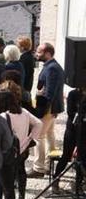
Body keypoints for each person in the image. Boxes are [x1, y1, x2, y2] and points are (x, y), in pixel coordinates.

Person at [0, 89, 41, 199]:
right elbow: (39, 123)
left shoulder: (4, 116)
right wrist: (31, 139)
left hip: (6, 153)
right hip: (21, 151)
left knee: (2, 183)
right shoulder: (24, 112)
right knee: (17, 177)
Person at [29, 42, 65, 178]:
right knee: (49, 134)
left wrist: (40, 106)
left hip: (47, 107)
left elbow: (49, 92)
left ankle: (39, 168)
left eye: (39, 52)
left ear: (47, 53)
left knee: (39, 136)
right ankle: (49, 164)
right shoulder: (52, 66)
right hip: (51, 107)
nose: (36, 54)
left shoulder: (52, 68)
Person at [51, 85, 85, 195]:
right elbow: (71, 112)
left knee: (82, 157)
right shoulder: (73, 94)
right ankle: (56, 180)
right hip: (73, 129)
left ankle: (79, 184)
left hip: (84, 131)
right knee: (66, 155)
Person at [17, 36, 36, 106]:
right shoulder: (29, 56)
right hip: (28, 85)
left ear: (22, 47)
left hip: (25, 86)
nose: (17, 47)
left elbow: (24, 74)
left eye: (18, 45)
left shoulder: (24, 58)